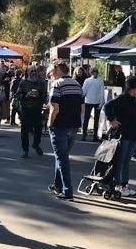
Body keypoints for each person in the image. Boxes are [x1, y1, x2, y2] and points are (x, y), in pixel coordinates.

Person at [47, 61, 84, 201]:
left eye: (52, 69)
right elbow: (82, 107)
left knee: (62, 158)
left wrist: (50, 124)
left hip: (60, 125)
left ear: (57, 69)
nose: (51, 72)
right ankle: (57, 185)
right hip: (74, 125)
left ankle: (67, 190)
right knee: (62, 156)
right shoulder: (77, 84)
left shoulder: (57, 84)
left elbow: (54, 108)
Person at [104, 76, 136, 197]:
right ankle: (118, 184)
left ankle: (124, 184)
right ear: (132, 88)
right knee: (121, 160)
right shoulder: (122, 98)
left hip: (131, 134)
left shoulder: (133, 100)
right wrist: (112, 120)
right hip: (123, 134)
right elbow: (107, 106)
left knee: (126, 160)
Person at [15, 65, 47, 158]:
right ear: (28, 72)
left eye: (35, 71)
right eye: (31, 71)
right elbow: (17, 95)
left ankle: (36, 144)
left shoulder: (41, 83)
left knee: (38, 129)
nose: (33, 73)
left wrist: (38, 96)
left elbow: (44, 96)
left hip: (37, 110)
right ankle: (25, 150)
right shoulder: (23, 83)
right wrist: (26, 95)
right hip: (26, 110)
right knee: (25, 131)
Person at [81, 68, 105, 141]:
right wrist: (102, 102)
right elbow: (102, 92)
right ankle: (94, 136)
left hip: (88, 101)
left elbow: (83, 92)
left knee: (86, 118)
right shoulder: (100, 81)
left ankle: (84, 135)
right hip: (97, 101)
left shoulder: (87, 81)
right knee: (96, 119)